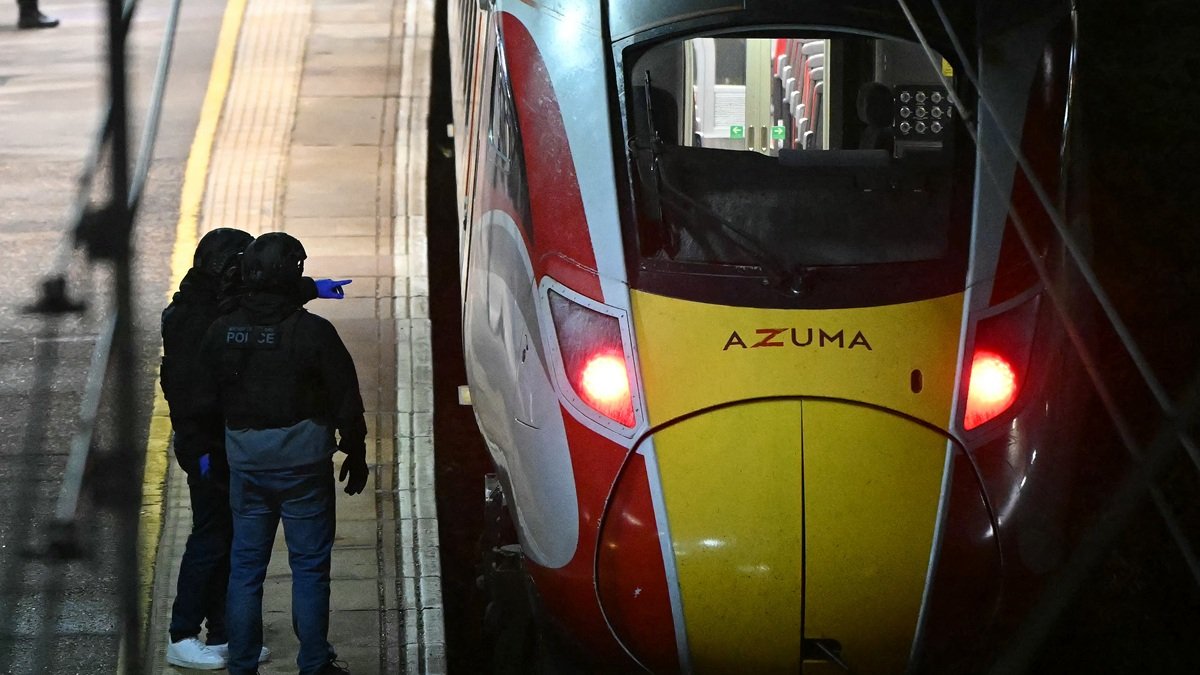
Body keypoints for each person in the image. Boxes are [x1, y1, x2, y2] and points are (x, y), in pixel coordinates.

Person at [161, 228, 351, 670]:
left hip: (231, 452)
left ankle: (229, 639)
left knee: (237, 551)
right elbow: (194, 398)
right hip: (210, 451)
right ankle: (184, 632)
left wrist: (313, 288)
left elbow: (267, 296)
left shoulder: (210, 310)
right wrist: (205, 455)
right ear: (229, 271)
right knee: (214, 537)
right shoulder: (200, 322)